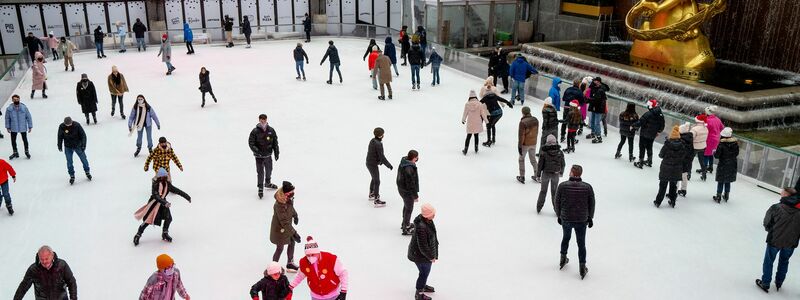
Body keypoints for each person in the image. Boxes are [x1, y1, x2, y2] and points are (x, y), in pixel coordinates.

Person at [756, 188, 800, 293]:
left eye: (782, 192)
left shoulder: (776, 207)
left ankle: (766, 283)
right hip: (791, 242)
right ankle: (779, 282)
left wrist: (771, 230)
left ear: (785, 195)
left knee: (769, 261)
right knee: (784, 261)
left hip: (774, 240)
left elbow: (766, 222)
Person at [554, 164, 595, 279]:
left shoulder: (562, 186)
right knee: (581, 243)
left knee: (566, 238)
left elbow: (557, 202)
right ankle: (582, 266)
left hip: (566, 218)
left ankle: (563, 258)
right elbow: (592, 203)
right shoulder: (587, 187)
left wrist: (559, 215)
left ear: (572, 173)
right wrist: (590, 217)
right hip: (581, 220)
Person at [133, 168, 191, 245]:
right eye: (162, 176)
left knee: (168, 218)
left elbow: (177, 191)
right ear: (159, 176)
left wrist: (187, 197)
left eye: (165, 176)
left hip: (163, 205)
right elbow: (156, 195)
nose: (164, 177)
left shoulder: (167, 184)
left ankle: (165, 233)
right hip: (154, 204)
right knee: (148, 220)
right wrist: (165, 202)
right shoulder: (155, 184)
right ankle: (138, 234)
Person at [290, 236, 349, 300]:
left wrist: (343, 291)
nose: (310, 257)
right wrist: (291, 287)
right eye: (308, 255)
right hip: (316, 296)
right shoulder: (304, 262)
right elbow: (300, 276)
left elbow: (343, 273)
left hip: (333, 295)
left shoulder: (331, 259)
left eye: (313, 254)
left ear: (318, 252)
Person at [13, 245, 77, 300]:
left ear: (52, 256)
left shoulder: (62, 265)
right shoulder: (33, 270)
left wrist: (73, 298)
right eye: (42, 259)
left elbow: (71, 282)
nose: (44, 262)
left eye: (46, 259)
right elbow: (23, 286)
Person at [408, 203, 438, 300]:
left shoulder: (427, 221)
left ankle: (422, 285)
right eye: (432, 214)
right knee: (424, 273)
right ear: (427, 215)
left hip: (421, 254)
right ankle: (419, 293)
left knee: (424, 272)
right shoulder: (422, 227)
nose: (434, 215)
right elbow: (423, 246)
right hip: (420, 256)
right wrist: (431, 257)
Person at [271, 181, 300, 272]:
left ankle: (290, 263)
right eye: (291, 192)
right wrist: (294, 233)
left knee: (292, 242)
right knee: (280, 248)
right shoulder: (279, 205)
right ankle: (273, 267)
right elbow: (284, 222)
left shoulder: (287, 199)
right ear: (286, 193)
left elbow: (291, 208)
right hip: (280, 230)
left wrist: (295, 215)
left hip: (287, 227)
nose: (293, 193)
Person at [249, 114, 280, 198]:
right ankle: (260, 187)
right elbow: (251, 143)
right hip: (259, 156)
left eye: (264, 120)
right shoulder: (255, 131)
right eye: (261, 120)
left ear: (266, 120)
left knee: (269, 169)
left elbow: (275, 142)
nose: (263, 121)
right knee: (260, 172)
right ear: (259, 120)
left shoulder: (271, 130)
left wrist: (276, 152)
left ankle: (267, 183)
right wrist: (257, 151)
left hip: (268, 155)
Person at [653, 126, 684, 208]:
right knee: (673, 186)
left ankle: (658, 201)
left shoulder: (667, 145)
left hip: (666, 168)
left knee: (663, 186)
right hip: (676, 169)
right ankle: (673, 201)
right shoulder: (682, 146)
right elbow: (683, 157)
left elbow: (661, 155)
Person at [58, 117, 91, 185]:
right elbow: (60, 136)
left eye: (70, 124)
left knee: (84, 159)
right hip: (68, 147)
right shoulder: (62, 126)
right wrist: (59, 145)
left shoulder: (77, 125)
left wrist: (83, 145)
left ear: (72, 122)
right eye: (67, 125)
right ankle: (71, 175)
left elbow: (83, 135)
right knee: (69, 162)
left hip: (78, 146)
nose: (69, 125)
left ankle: (87, 171)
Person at [537, 135, 565, 213]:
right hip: (555, 174)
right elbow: (563, 164)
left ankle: (539, 207)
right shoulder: (559, 152)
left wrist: (538, 175)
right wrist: (561, 172)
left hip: (545, 174)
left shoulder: (544, 152)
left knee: (543, 191)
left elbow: (540, 165)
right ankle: (556, 209)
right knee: (554, 192)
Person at [633, 99, 664, 168]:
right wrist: (658, 131)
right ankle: (649, 161)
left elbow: (641, 122)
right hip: (652, 135)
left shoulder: (648, 114)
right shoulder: (660, 114)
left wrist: (633, 125)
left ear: (651, 106)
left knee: (642, 147)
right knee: (649, 147)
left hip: (644, 134)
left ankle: (640, 162)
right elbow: (662, 125)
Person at [366, 127, 393, 205]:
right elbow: (382, 157)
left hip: (369, 163)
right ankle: (376, 199)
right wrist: (389, 165)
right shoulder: (378, 144)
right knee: (377, 181)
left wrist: (379, 161)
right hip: (372, 164)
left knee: (374, 178)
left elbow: (374, 154)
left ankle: (372, 193)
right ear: (381, 135)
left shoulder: (372, 140)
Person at [398, 150, 420, 235]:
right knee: (409, 208)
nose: (418, 158)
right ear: (413, 158)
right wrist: (415, 195)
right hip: (407, 191)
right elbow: (410, 184)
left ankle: (404, 223)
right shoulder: (409, 168)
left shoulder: (404, 162)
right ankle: (406, 227)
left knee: (406, 206)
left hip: (402, 189)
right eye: (417, 157)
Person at [713, 127, 738, 203]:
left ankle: (718, 196)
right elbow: (737, 153)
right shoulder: (735, 144)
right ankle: (726, 195)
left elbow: (717, 155)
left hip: (723, 164)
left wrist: (714, 152)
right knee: (728, 180)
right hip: (732, 164)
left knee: (721, 180)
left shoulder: (721, 145)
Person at [5, 95, 33, 160]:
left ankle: (26, 151)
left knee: (25, 140)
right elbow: (7, 118)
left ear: (19, 99)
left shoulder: (24, 108)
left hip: (22, 126)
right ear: (12, 100)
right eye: (14, 99)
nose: (16, 100)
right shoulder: (9, 109)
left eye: (17, 99)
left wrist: (30, 126)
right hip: (13, 127)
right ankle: (15, 152)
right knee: (13, 140)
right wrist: (8, 127)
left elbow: (29, 117)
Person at [517, 106, 539, 183]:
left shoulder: (522, 122)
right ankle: (537, 175)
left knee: (521, 159)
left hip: (525, 144)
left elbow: (521, 135)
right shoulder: (535, 120)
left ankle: (522, 176)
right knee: (533, 159)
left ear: (523, 113)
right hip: (533, 143)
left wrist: (519, 146)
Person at [461, 90, 487, 155]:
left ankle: (465, 149)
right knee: (476, 135)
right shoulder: (479, 104)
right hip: (478, 122)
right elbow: (483, 113)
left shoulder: (467, 104)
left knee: (468, 136)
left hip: (470, 122)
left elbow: (465, 113)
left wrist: (463, 120)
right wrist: (486, 121)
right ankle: (476, 148)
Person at [703, 106, 725, 174]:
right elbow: (722, 128)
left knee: (706, 153)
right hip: (716, 139)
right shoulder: (717, 119)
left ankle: (704, 168)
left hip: (709, 139)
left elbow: (704, 130)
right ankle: (711, 167)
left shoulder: (707, 120)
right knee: (711, 153)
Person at [587, 77, 607, 143]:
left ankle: (598, 137)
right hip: (594, 106)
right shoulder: (594, 87)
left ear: (598, 82)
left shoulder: (601, 90)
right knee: (592, 121)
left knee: (597, 123)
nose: (593, 82)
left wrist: (588, 99)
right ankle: (593, 133)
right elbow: (592, 97)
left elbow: (597, 100)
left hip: (598, 108)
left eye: (594, 81)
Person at [677, 123, 695, 197]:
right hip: (687, 162)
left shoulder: (680, 140)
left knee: (676, 176)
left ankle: (674, 190)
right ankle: (684, 189)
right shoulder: (690, 139)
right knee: (684, 176)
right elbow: (692, 152)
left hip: (680, 161)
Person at [690, 114, 709, 181]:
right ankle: (704, 174)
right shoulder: (706, 128)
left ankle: (688, 174)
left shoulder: (694, 129)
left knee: (689, 160)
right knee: (702, 161)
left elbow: (691, 138)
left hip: (694, 147)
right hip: (702, 146)